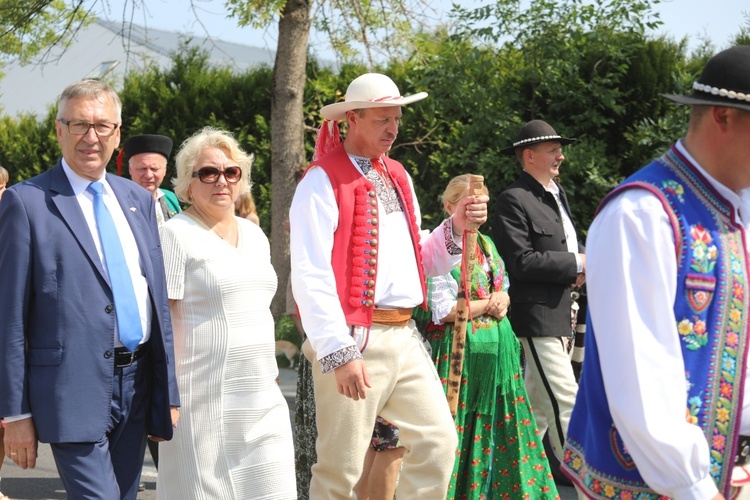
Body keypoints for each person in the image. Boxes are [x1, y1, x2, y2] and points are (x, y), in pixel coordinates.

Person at [562, 45, 750, 499]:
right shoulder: (642, 214)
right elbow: (642, 377)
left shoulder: (739, 208)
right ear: (724, 118)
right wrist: (693, 489)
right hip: (666, 484)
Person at [289, 72, 489, 498]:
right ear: (353, 119)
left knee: (437, 442)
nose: (394, 128)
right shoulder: (321, 180)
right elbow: (309, 272)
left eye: (396, 119)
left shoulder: (398, 174)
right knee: (340, 469)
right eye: (383, 119)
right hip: (355, 338)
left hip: (405, 334)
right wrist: (338, 351)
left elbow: (419, 257)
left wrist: (456, 226)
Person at [0, 79, 179, 499]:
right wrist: (15, 412)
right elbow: (8, 318)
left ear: (117, 134)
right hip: (70, 387)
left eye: (102, 126)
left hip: (136, 385)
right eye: (78, 125)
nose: (90, 137)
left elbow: (156, 300)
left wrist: (167, 388)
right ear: (59, 130)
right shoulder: (26, 203)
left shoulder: (138, 198)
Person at [156, 126, 296, 499]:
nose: (221, 180)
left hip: (264, 396)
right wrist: (162, 394)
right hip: (202, 404)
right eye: (208, 172)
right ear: (188, 182)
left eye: (231, 171)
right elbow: (161, 322)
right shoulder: (175, 235)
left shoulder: (255, 236)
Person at [423, 174, 559, 498]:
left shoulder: (488, 245)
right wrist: (489, 303)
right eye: (469, 205)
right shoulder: (438, 247)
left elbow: (505, 288)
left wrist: (504, 299)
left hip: (501, 364)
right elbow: (441, 310)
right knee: (454, 432)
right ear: (449, 206)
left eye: (481, 205)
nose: (476, 212)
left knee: (505, 429)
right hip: (460, 363)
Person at [493, 119, 585, 475]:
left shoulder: (557, 194)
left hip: (561, 311)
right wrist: (577, 262)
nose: (561, 156)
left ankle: (512, 482)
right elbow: (520, 262)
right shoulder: (513, 199)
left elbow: (566, 247)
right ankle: (586, 484)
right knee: (565, 399)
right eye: (553, 150)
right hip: (536, 317)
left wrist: (581, 264)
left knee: (534, 411)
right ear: (529, 156)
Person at [123, 133, 181, 226]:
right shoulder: (119, 201)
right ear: (130, 169)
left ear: (164, 170)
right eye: (142, 169)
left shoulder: (170, 198)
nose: (149, 175)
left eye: (154, 169)